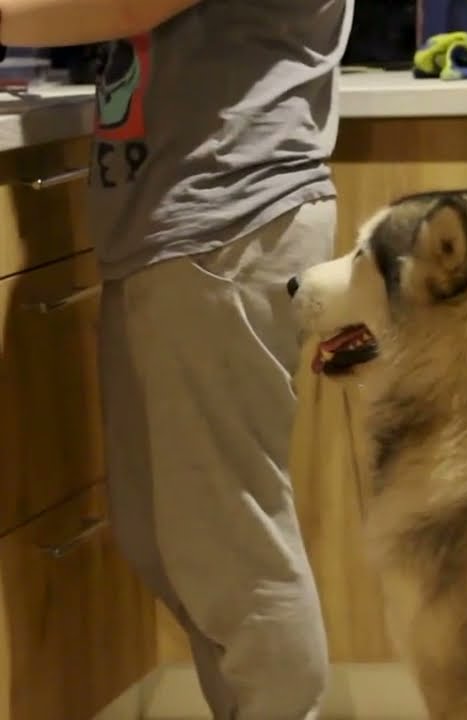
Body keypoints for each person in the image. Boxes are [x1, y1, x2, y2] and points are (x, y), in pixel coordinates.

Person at [0, 0, 352, 717]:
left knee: (230, 551)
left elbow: (123, 4)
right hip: (181, 223)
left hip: (225, 217)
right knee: (168, 539)